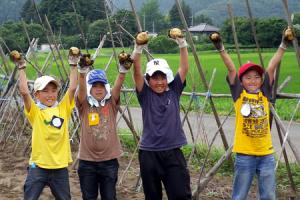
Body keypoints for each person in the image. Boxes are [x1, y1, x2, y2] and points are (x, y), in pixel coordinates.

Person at [209, 27, 295, 200]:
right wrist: (220, 47)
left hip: (266, 154)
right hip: (244, 154)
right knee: (239, 195)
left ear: (261, 80)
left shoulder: (265, 93)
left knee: (269, 195)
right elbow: (232, 69)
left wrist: (284, 44)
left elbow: (271, 67)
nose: (253, 80)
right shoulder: (239, 95)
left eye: (256, 77)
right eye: (248, 78)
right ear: (241, 81)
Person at [132, 30, 192, 200]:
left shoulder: (174, 91)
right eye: (154, 78)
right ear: (148, 80)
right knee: (152, 196)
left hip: (173, 152)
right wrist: (138, 49)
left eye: (162, 77)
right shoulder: (145, 95)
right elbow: (136, 72)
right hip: (149, 154)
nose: (159, 82)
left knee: (180, 194)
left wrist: (182, 43)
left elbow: (184, 67)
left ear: (168, 78)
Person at [16, 48, 78, 200]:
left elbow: (72, 88)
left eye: (53, 90)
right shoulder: (36, 112)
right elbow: (24, 92)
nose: (50, 95)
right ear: (36, 94)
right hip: (38, 167)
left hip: (59, 168)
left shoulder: (63, 108)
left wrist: (73, 64)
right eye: (45, 91)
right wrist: (21, 68)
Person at [75, 53, 132, 200]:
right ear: (89, 88)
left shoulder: (111, 103)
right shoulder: (85, 104)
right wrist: (82, 73)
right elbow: (81, 91)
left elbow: (118, 86)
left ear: (106, 87)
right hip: (87, 163)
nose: (98, 89)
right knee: (89, 197)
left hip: (109, 162)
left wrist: (123, 71)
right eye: (94, 86)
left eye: (101, 85)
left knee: (110, 197)